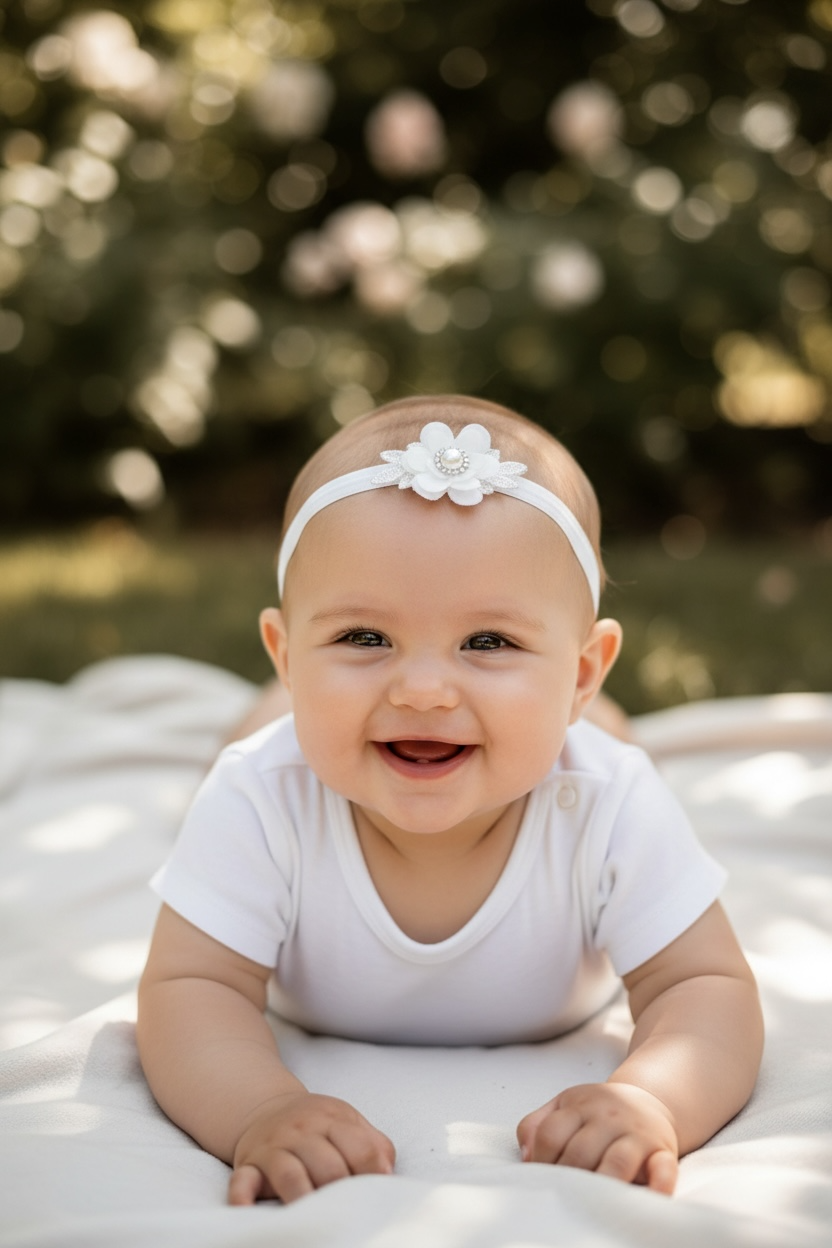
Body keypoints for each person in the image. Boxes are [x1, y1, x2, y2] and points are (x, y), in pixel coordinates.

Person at [137, 395, 763, 1206]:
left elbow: (704, 984)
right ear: (286, 654)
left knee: (601, 746)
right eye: (364, 637)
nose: (424, 689)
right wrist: (260, 1108)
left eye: (488, 641)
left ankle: (578, 712)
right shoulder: (259, 796)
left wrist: (652, 1099)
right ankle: (289, 702)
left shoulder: (611, 804)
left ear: (581, 670)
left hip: (568, 751)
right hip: (297, 744)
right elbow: (190, 989)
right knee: (259, 746)